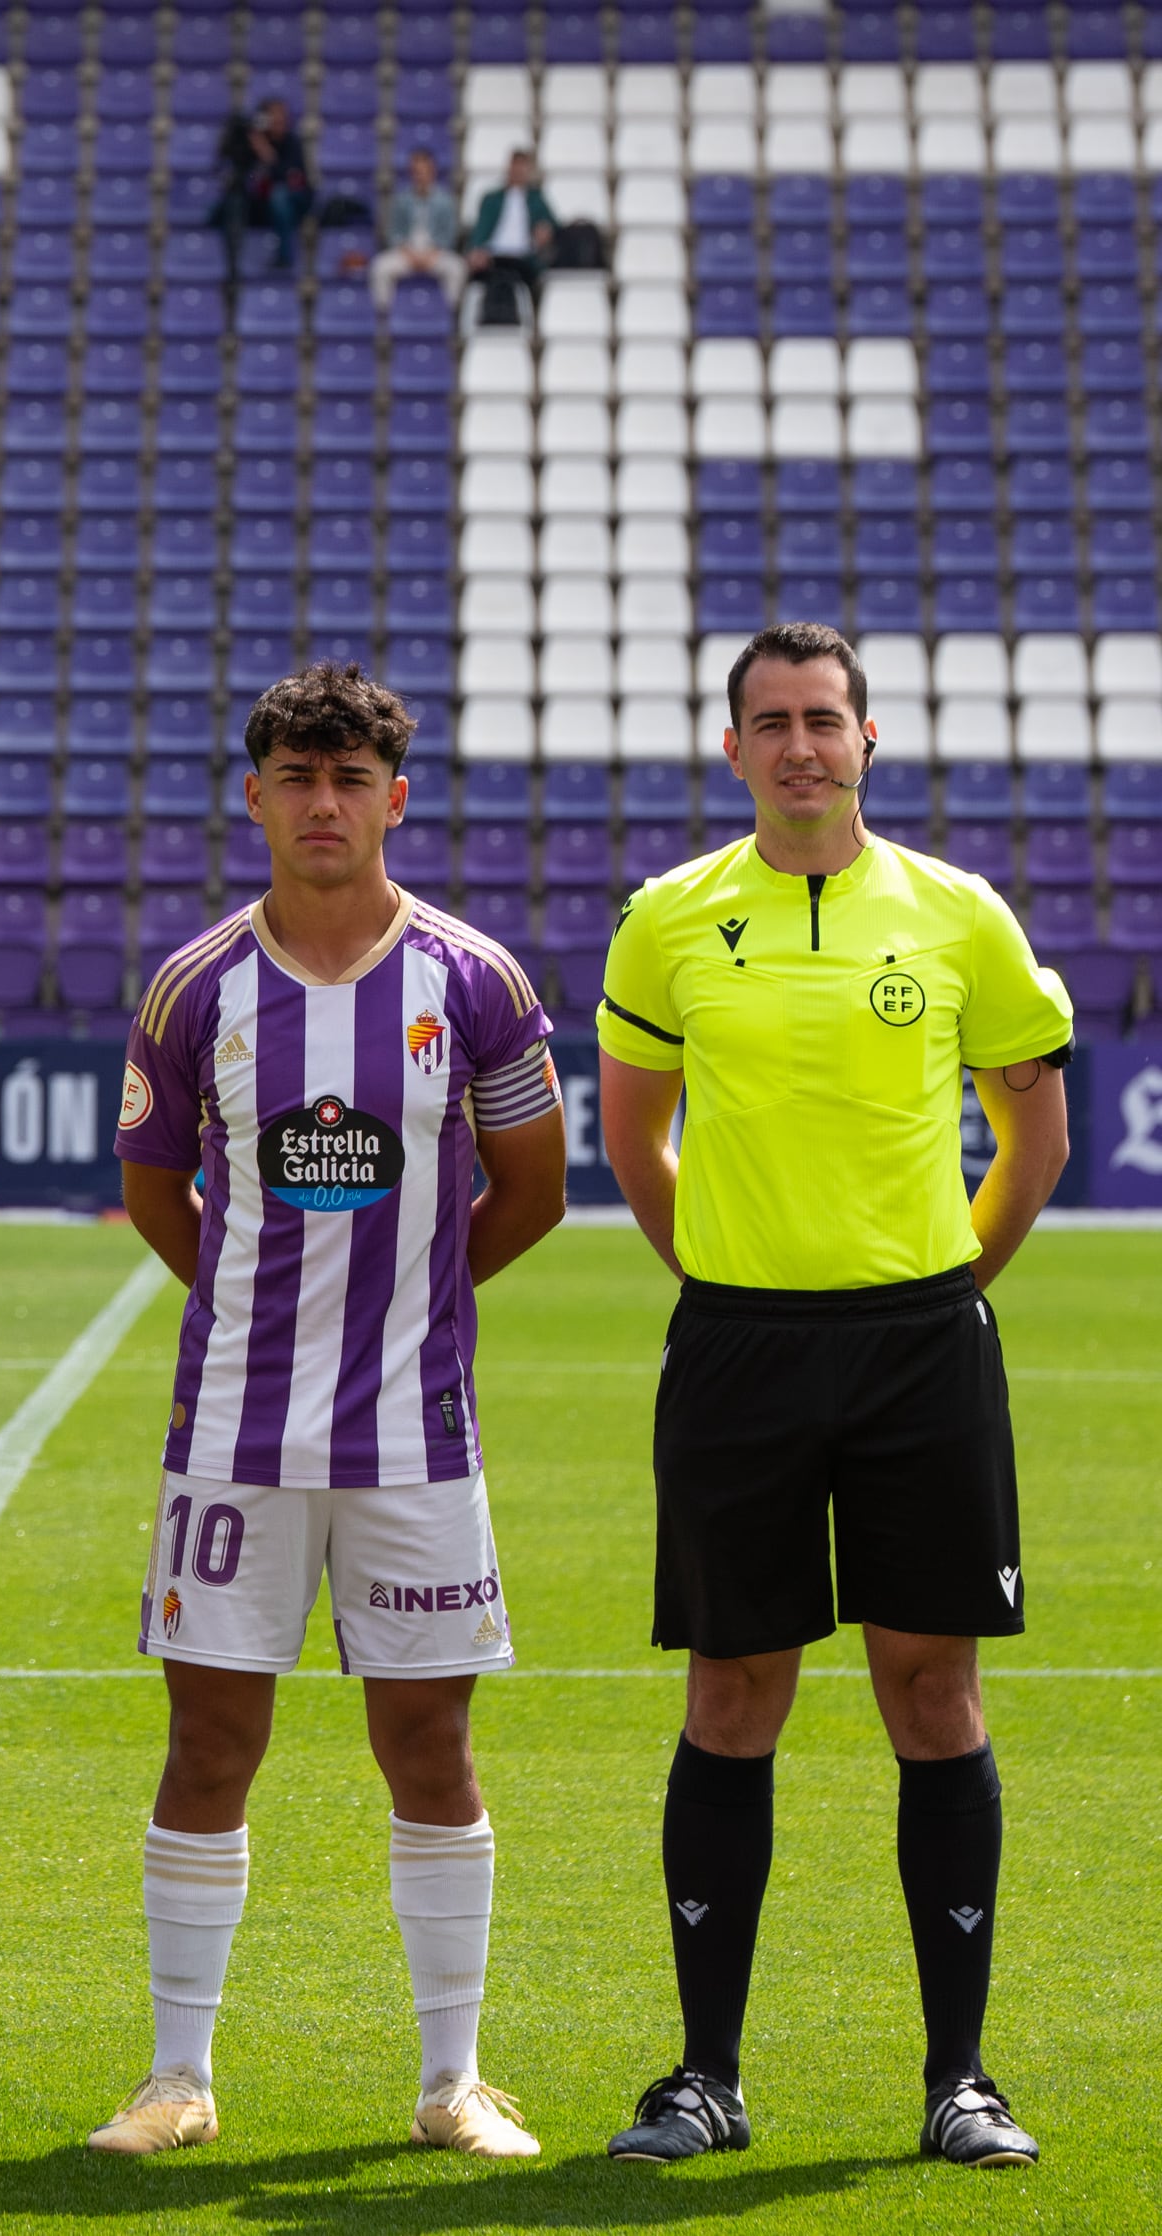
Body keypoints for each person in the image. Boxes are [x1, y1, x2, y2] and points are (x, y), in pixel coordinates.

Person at [595, 622, 1069, 2171]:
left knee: (932, 1693)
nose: (800, 745)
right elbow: (634, 1138)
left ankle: (961, 2082)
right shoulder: (668, 922)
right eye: (770, 723)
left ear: (870, 739)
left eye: (824, 719)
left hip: (924, 1347)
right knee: (734, 1694)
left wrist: (952, 1286)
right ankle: (705, 2079)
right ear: (728, 750)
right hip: (739, 1350)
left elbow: (1035, 1130)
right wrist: (725, 1277)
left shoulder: (959, 916)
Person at [86, 665, 564, 2164]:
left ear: (395, 799)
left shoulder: (475, 983)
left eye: (352, 779)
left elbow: (534, 1188)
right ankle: (176, 2078)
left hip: (417, 1438)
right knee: (210, 1742)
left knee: (430, 1744)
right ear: (256, 796)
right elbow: (157, 1193)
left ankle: (454, 2083)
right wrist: (256, 1302)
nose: (323, 804)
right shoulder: (198, 987)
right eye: (297, 777)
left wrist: (413, 1306)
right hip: (234, 1432)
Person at [212, 98, 314, 279]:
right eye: (273, 117)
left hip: (295, 201)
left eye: (281, 117)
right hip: (262, 203)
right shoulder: (254, 141)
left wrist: (265, 152)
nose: (278, 122)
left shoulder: (292, 142)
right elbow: (243, 173)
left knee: (279, 195)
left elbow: (289, 177)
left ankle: (285, 256)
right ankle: (231, 265)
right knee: (232, 203)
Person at [465, 148, 557, 326]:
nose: (518, 171)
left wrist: (545, 231)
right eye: (516, 166)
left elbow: (553, 225)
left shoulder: (536, 199)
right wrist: (475, 250)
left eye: (523, 167)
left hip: (524, 257)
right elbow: (480, 229)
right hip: (493, 255)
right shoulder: (491, 199)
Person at [371, 145, 461, 312]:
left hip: (435, 252)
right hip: (407, 252)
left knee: (456, 268)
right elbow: (393, 233)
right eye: (415, 172)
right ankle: (385, 316)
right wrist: (408, 252)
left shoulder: (446, 201)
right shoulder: (401, 200)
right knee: (380, 267)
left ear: (431, 171)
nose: (419, 176)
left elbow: (449, 235)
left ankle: (448, 316)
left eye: (422, 171)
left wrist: (432, 253)